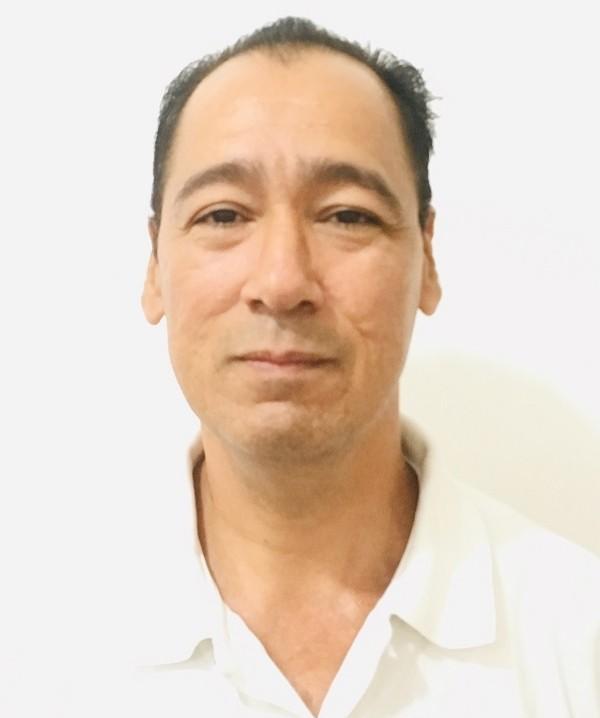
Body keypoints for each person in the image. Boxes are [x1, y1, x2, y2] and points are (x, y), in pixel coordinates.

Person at [139, 16, 600, 717]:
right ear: (154, 266)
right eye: (224, 215)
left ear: (427, 258)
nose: (282, 281)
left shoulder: (578, 633)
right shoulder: (31, 640)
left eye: (347, 216)